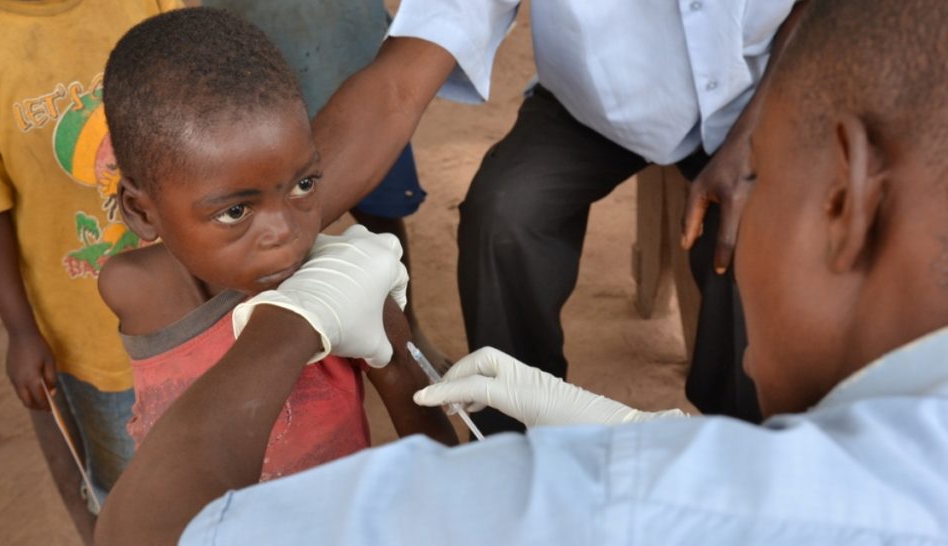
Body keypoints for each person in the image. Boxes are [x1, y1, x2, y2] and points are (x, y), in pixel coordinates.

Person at [96, 0, 948, 543]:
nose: (282, 231)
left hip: (742, 108)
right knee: (505, 209)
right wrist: (638, 432)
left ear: (848, 200)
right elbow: (400, 81)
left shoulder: (617, 510)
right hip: (598, 117)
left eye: (766, 174)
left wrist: (293, 321)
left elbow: (148, 532)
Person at [302, 0, 809, 433]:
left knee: (752, 237)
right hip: (595, 104)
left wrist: (755, 132)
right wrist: (289, 226)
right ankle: (512, 435)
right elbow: (397, 86)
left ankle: (747, 439)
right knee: (505, 213)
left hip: (760, 94)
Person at [97, 8, 456, 480]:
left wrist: (392, 357)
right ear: (141, 212)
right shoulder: (132, 289)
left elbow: (438, 456)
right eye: (235, 212)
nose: (285, 231)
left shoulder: (345, 289)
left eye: (304, 185)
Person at [0, 0, 180, 541]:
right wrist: (21, 330)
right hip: (90, 333)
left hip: (204, 296)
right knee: (130, 489)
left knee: (230, 448)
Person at [202, 0, 449, 368]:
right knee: (250, 188)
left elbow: (395, 92)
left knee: (377, 197)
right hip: (247, 35)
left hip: (341, 34)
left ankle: (405, 327)